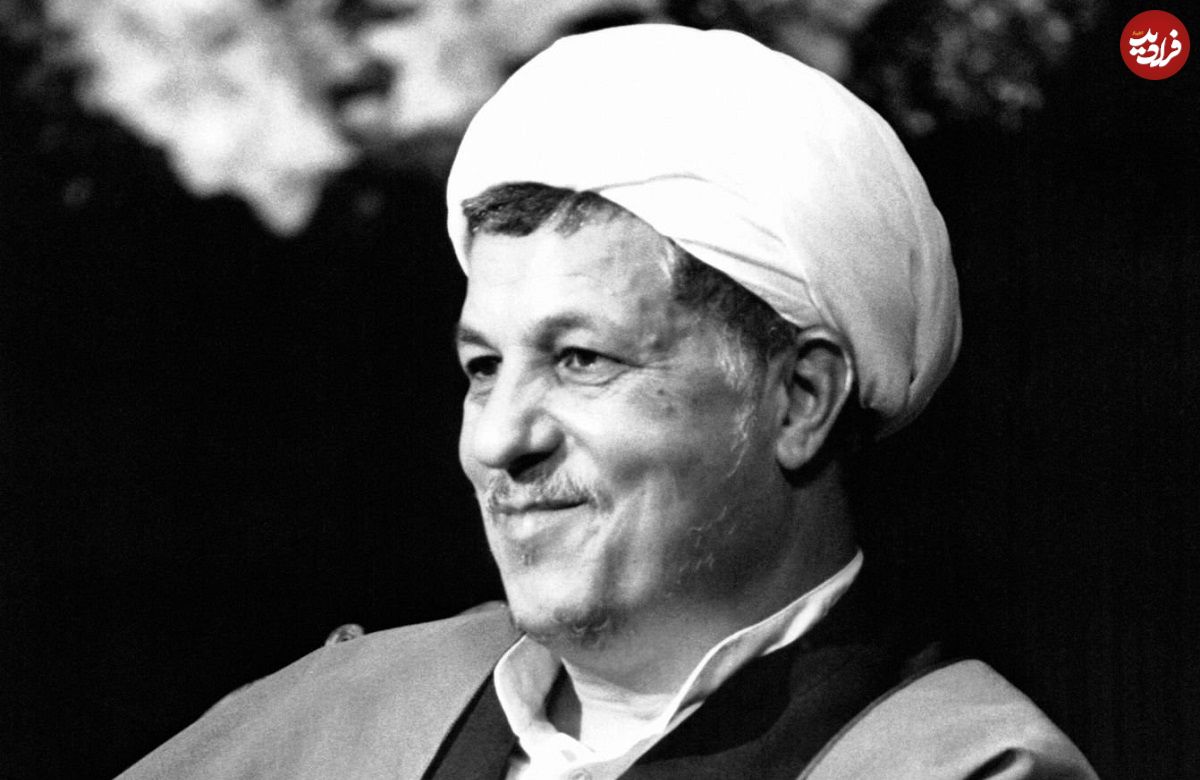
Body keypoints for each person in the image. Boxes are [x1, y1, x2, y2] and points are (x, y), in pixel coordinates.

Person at [118, 24, 1098, 780]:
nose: (498, 441)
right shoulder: (350, 715)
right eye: (483, 368)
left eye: (582, 359)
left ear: (800, 399)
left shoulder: (953, 764)